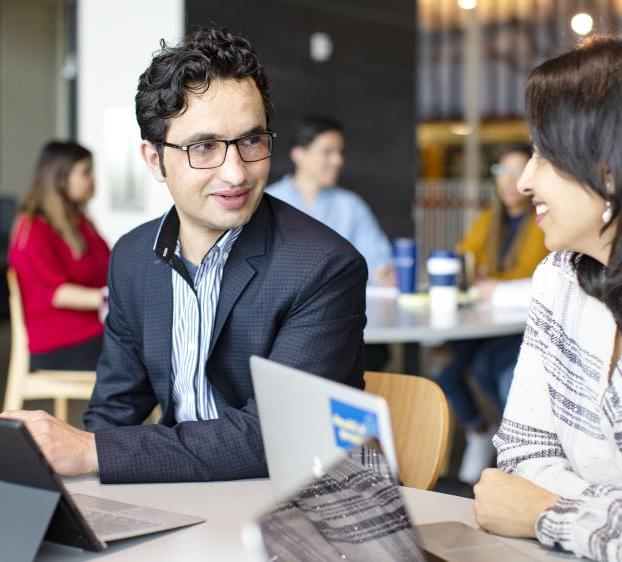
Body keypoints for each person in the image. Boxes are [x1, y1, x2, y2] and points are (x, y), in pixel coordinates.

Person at [0, 25, 367, 483]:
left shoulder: (323, 266)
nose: (236, 173)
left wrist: (92, 451)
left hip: (299, 509)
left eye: (251, 141)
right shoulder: (133, 258)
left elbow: (277, 437)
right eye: (204, 147)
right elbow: (115, 411)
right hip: (182, 498)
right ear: (154, 160)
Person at [473, 36, 622, 561]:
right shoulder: (559, 279)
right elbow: (519, 455)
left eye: (545, 153)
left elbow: (524, 500)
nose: (526, 179)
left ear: (608, 168)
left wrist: (546, 512)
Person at [435, 146, 548, 485]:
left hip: (517, 325)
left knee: (492, 368)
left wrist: (493, 284)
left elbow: (538, 274)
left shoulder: (543, 220)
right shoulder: (490, 219)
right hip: (481, 324)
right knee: (441, 367)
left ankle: (521, 458)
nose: (512, 181)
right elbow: (463, 261)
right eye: (504, 172)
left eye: (519, 171)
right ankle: (479, 432)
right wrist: (474, 276)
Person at [8, 141, 110, 371]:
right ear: (61, 177)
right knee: (146, 349)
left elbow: (110, 266)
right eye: (86, 172)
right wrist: (110, 299)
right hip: (59, 343)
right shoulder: (33, 229)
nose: (92, 179)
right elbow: (57, 293)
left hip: (91, 330)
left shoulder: (81, 223)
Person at [267, 115, 395, 287]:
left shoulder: (352, 206)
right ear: (299, 155)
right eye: (327, 152)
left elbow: (380, 266)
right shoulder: (268, 202)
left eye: (339, 152)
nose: (338, 161)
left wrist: (384, 273)